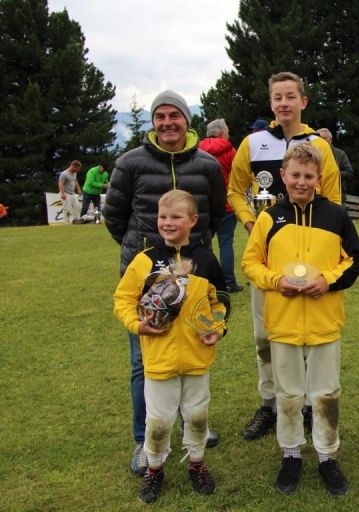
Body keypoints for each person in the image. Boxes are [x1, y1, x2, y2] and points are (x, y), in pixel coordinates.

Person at [103, 89, 226, 477]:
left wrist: (195, 250)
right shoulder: (130, 162)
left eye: (175, 115)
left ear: (187, 121)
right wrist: (145, 250)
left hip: (195, 273)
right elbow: (115, 216)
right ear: (153, 122)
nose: (168, 122)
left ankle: (194, 428)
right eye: (161, 116)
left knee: (193, 350)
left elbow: (215, 213)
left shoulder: (207, 164)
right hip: (146, 275)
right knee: (145, 359)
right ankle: (145, 440)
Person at [241, 144, 359, 496]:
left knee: (326, 393)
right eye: (295, 175)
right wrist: (276, 281)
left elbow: (355, 260)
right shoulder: (268, 218)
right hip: (282, 323)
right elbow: (251, 264)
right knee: (290, 393)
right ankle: (291, 453)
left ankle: (327, 456)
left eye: (308, 176)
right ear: (283, 175)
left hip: (325, 322)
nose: (301, 182)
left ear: (319, 178)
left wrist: (327, 280)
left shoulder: (336, 216)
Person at [228, 71, 342, 442]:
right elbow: (235, 191)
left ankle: (307, 406)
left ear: (303, 101)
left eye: (291, 96)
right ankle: (270, 403)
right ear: (271, 102)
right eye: (277, 97)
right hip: (269, 260)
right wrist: (250, 222)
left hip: (311, 259)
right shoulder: (253, 143)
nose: (283, 103)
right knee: (267, 337)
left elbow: (335, 202)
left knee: (311, 337)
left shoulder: (319, 146)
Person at [113, 190, 228, 503]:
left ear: (193, 220)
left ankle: (197, 464)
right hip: (159, 359)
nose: (167, 222)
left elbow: (222, 300)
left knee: (197, 415)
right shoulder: (145, 261)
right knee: (159, 420)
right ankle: (154, 469)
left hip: (196, 357)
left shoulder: (205, 260)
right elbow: (123, 299)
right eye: (163, 217)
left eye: (176, 216)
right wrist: (136, 325)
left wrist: (216, 329)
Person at [199, 119, 243, 293]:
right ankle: (228, 282)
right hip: (226, 204)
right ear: (222, 132)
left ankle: (204, 280)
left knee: (202, 244)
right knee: (226, 244)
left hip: (203, 205)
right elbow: (240, 175)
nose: (229, 134)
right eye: (227, 131)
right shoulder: (231, 151)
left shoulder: (197, 150)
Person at [317, 128, 352, 195]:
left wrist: (333, 175)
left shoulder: (340, 154)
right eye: (318, 138)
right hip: (316, 193)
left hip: (337, 193)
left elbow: (349, 172)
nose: (321, 141)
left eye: (324, 138)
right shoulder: (311, 153)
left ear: (331, 139)